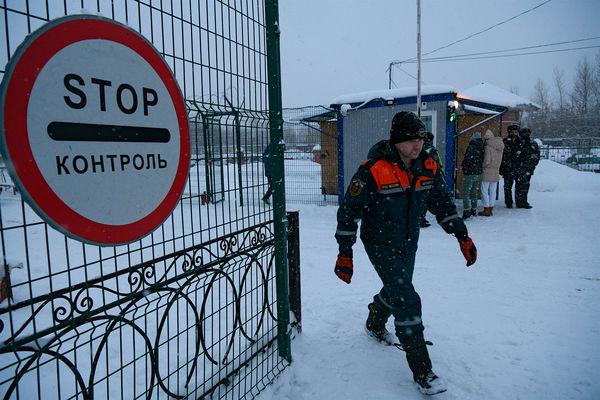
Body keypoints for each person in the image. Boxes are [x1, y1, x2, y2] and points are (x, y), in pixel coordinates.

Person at [334, 111, 477, 395]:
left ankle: (375, 319)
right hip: (379, 242)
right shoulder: (373, 169)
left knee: (398, 289)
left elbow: (442, 203)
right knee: (407, 299)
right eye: (411, 140)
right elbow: (349, 211)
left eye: (420, 139)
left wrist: (462, 235)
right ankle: (423, 372)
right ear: (397, 140)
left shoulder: (428, 166)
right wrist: (345, 252)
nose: (417, 145)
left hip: (409, 240)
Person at [478, 129, 505, 217]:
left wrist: (482, 165)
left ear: (486, 139)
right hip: (496, 170)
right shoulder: (500, 146)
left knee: (484, 190)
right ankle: (491, 208)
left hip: (487, 171)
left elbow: (486, 161)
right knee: (493, 191)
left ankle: (486, 209)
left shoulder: (488, 147)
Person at [514, 127, 540, 208]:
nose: (526, 134)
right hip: (520, 168)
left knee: (524, 186)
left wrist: (532, 166)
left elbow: (537, 156)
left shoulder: (533, 143)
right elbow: (514, 155)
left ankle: (523, 202)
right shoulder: (518, 142)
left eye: (527, 133)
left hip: (527, 168)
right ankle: (519, 202)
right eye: (524, 133)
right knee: (520, 185)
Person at [419, 132, 441, 228]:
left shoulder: (421, 149)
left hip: (422, 177)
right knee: (425, 199)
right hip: (429, 177)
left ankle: (421, 218)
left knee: (422, 198)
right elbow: (436, 163)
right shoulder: (430, 150)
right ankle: (421, 219)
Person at [460, 132, 484, 219]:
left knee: (466, 193)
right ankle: (474, 209)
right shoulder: (482, 147)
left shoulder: (472, 147)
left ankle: (467, 210)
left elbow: (468, 160)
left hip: (470, 173)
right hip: (478, 173)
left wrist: (464, 167)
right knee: (474, 192)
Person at [499, 124, 521, 208]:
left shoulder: (520, 142)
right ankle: (508, 202)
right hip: (507, 168)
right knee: (507, 187)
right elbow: (502, 155)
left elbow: (524, 155)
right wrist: (501, 168)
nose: (514, 133)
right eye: (512, 132)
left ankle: (519, 202)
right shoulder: (505, 141)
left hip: (518, 168)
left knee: (519, 187)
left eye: (515, 132)